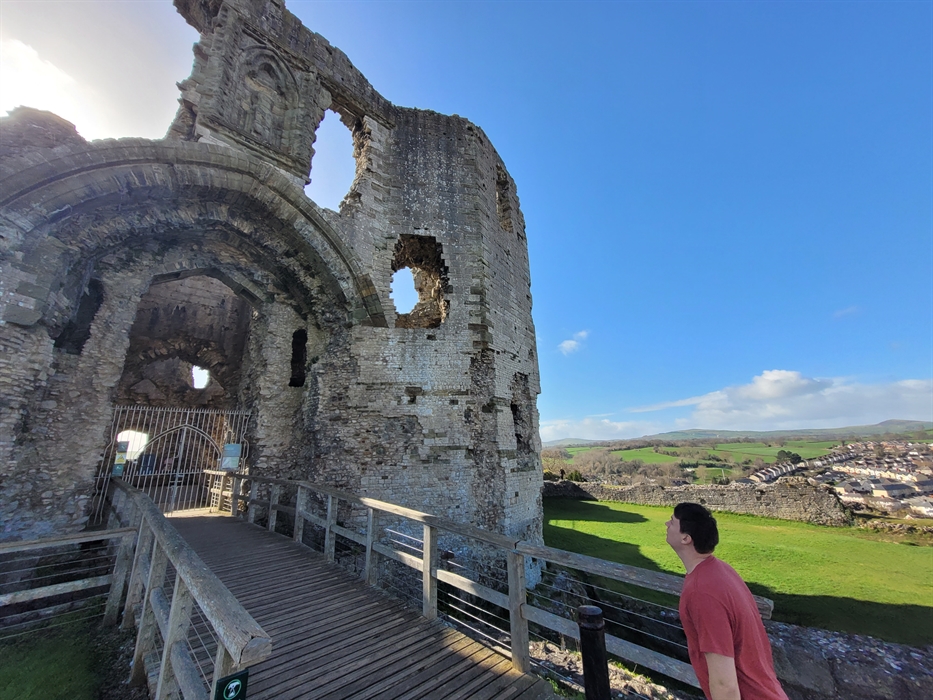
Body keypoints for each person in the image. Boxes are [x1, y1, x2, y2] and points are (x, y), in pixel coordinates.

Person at [666, 502, 788, 700]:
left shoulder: (701, 592)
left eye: (672, 522)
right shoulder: (721, 570)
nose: (666, 524)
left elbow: (725, 685)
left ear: (686, 538)